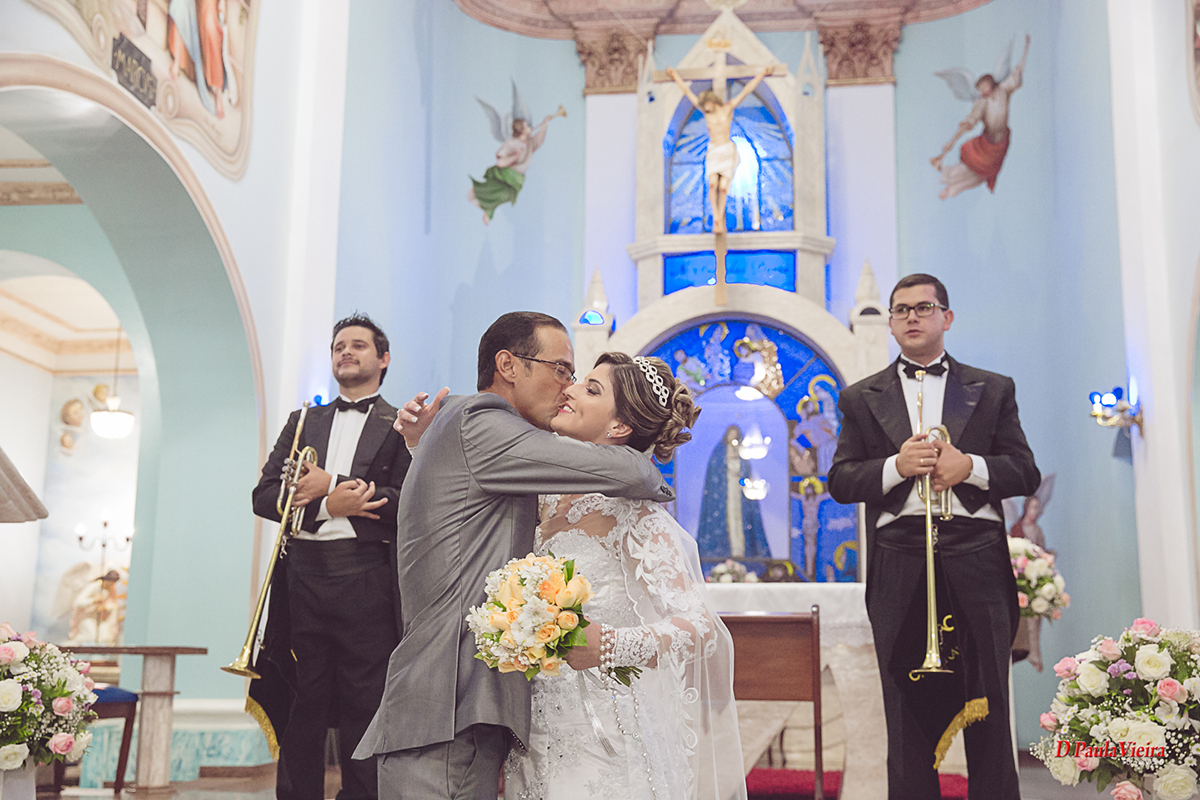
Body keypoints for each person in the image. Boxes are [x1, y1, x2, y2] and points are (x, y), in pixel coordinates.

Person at [354, 312, 675, 800]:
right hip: (448, 704)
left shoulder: (481, 441)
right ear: (509, 364)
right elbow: (632, 475)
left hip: (473, 709)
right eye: (562, 370)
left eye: (580, 381)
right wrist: (645, 458)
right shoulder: (483, 423)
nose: (567, 387)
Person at [828, 274, 1039, 800]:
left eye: (924, 307)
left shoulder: (992, 388)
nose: (912, 317)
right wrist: (895, 466)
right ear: (892, 324)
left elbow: (1025, 472)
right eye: (901, 311)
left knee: (990, 699)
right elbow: (840, 480)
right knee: (904, 709)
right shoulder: (859, 397)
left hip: (976, 556)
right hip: (898, 558)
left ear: (946, 317)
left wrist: (970, 466)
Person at [502, 352, 745, 799]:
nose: (570, 389)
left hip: (606, 733)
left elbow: (701, 629)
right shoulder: (542, 496)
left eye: (591, 389)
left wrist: (610, 644)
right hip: (536, 729)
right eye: (578, 380)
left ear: (619, 428)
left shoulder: (635, 514)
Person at [250, 314, 411, 800]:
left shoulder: (402, 425)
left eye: (358, 345)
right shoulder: (302, 422)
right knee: (303, 703)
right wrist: (324, 506)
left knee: (366, 704)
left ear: (382, 359)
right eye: (339, 345)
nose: (346, 352)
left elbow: (409, 502)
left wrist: (336, 486)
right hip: (302, 578)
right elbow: (263, 497)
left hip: (367, 580)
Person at [666, 66, 769, 233]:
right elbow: (686, 91)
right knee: (713, 185)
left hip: (727, 150)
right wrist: (674, 75)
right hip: (714, 150)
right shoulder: (706, 113)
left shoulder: (727, 108)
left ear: (712, 102)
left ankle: (720, 215)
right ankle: (716, 217)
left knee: (723, 187)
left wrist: (761, 74)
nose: (705, 109)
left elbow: (746, 90)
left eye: (706, 105)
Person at [931, 35, 1031, 200]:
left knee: (981, 176)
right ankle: (949, 181)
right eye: (980, 89)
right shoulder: (982, 103)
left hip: (1001, 144)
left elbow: (1018, 71)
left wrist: (1026, 49)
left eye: (983, 86)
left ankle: (953, 189)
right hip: (987, 142)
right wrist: (953, 139)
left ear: (990, 83)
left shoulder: (1004, 91)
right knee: (968, 167)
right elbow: (970, 121)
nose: (982, 91)